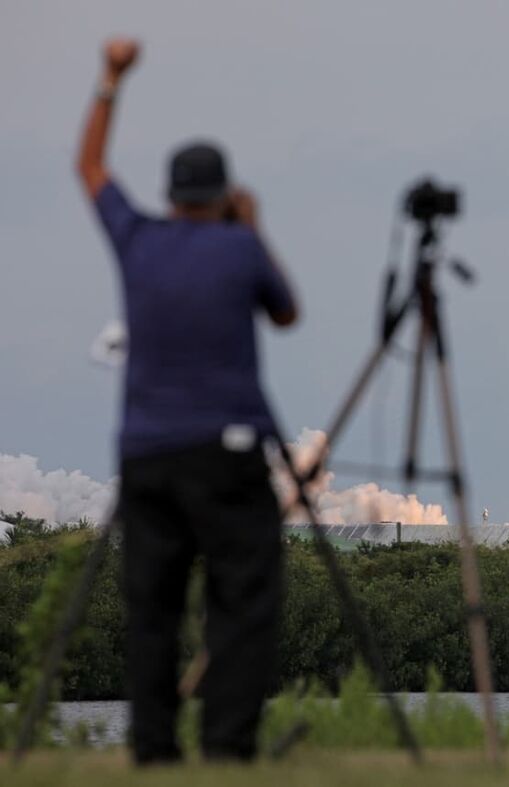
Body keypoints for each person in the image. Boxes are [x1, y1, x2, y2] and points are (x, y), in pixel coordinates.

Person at [76, 37, 299, 764]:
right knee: (243, 598)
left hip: (145, 452)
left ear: (171, 196)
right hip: (226, 451)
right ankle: (228, 745)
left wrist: (110, 81)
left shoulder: (137, 238)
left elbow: (90, 169)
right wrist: (253, 223)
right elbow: (286, 309)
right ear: (223, 195)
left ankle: (153, 750)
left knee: (153, 608)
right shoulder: (237, 247)